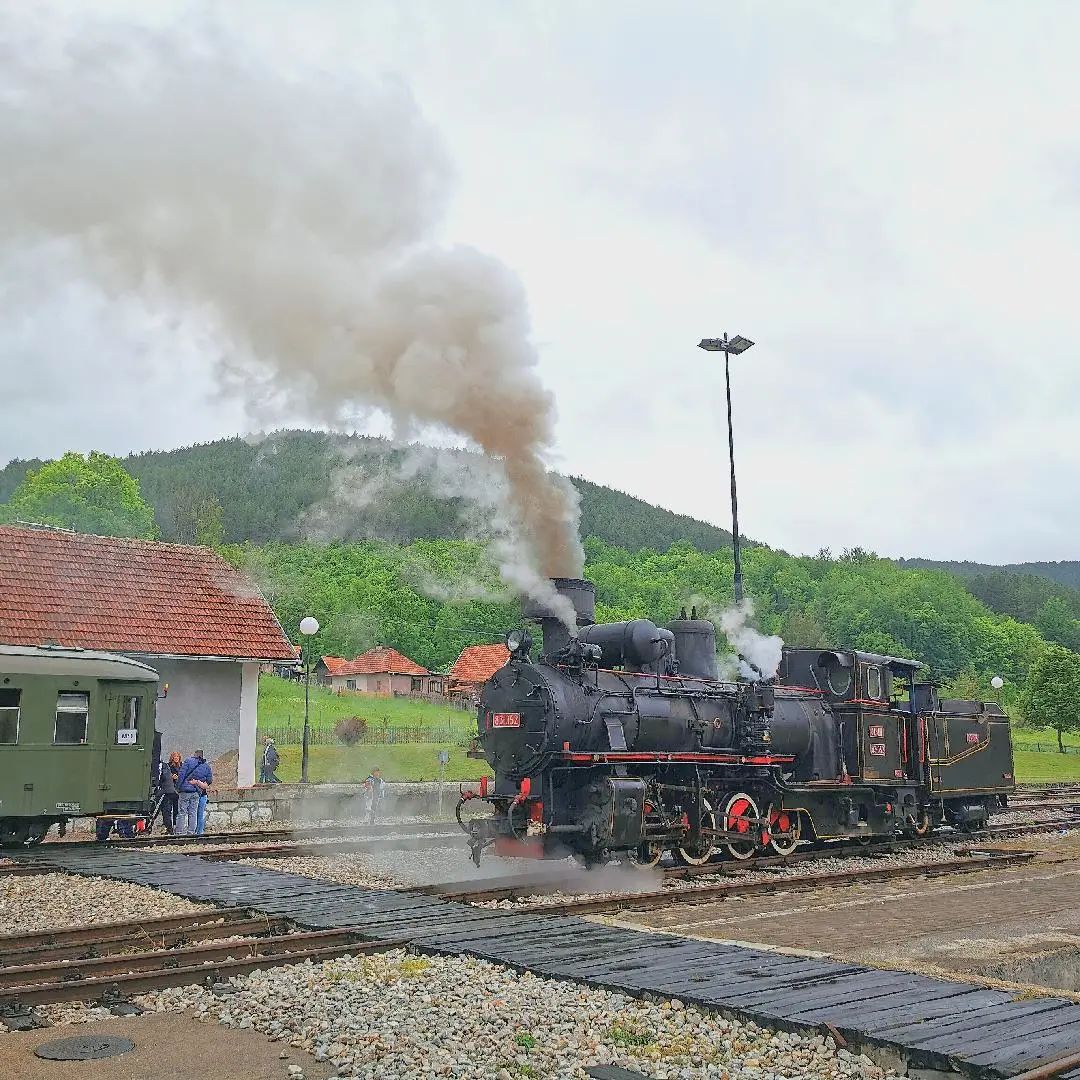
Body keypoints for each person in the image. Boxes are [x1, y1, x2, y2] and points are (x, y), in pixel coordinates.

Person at [176, 748, 212, 836]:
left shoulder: (188, 761)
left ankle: (179, 832)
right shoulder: (206, 766)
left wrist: (178, 787)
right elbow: (209, 780)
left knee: (182, 812)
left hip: (185, 791)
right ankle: (191, 833)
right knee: (193, 813)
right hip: (196, 792)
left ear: (194, 754)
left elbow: (181, 775)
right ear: (202, 756)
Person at [155, 751, 180, 833]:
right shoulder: (167, 766)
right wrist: (171, 777)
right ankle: (169, 828)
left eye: (177, 756)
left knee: (176, 810)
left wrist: (178, 778)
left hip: (177, 791)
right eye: (175, 756)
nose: (176, 758)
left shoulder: (182, 766)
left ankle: (175, 826)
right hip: (169, 791)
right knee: (167, 810)